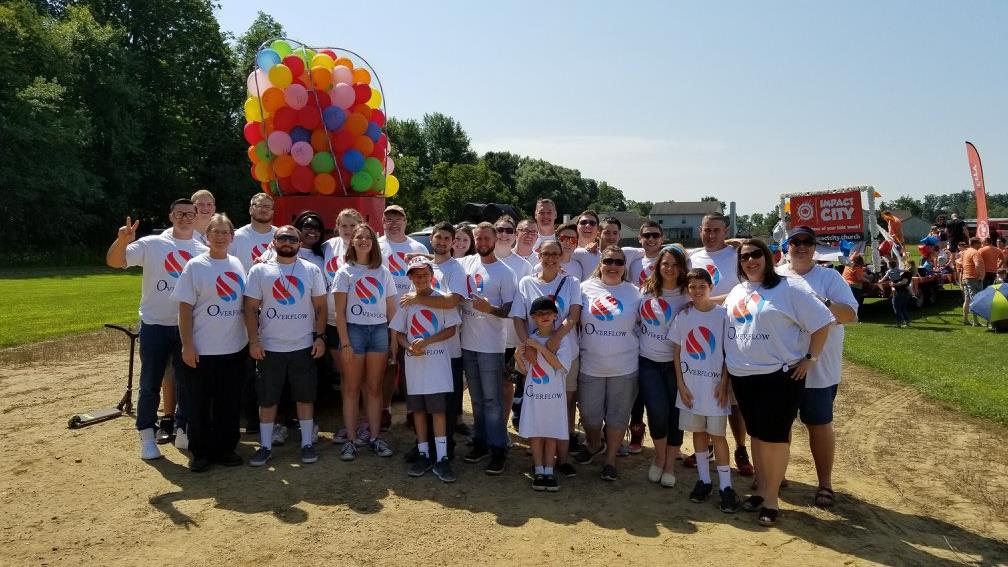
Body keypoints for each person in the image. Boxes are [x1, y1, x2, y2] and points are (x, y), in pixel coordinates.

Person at [725, 239, 833, 526]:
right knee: (757, 436)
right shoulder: (738, 290)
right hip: (743, 376)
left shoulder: (789, 287)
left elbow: (824, 321)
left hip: (779, 376)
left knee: (774, 438)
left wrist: (811, 357)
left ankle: (772, 499)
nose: (750, 260)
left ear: (767, 257)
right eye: (745, 256)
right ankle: (761, 490)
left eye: (756, 254)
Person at [106, 199, 207, 460]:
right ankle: (147, 436)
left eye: (190, 214)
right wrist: (123, 240)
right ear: (171, 216)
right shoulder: (152, 244)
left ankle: (183, 429)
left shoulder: (202, 247)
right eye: (180, 213)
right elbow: (115, 262)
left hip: (188, 328)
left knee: (187, 382)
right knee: (150, 383)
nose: (185, 217)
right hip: (155, 325)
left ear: (196, 217)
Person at [776, 226, 858, 508]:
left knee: (819, 425)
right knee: (779, 424)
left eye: (806, 242)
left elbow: (850, 314)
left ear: (814, 247)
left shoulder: (829, 277)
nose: (800, 246)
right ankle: (778, 476)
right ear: (786, 246)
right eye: (795, 242)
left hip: (818, 368)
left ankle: (825, 483)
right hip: (781, 365)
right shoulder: (776, 275)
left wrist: (818, 302)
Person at [243, 225, 328, 466]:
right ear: (274, 241)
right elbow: (249, 308)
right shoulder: (259, 270)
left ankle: (307, 443)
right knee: (267, 400)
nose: (287, 242)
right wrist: (254, 341)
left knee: (305, 397)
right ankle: (266, 445)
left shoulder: (311, 270)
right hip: (269, 347)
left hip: (303, 346)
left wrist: (320, 337)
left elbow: (320, 306)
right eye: (282, 238)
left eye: (293, 238)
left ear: (300, 244)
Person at [172, 213, 248, 471]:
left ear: (232, 237)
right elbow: (184, 309)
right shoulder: (195, 266)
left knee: (229, 403)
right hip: (202, 349)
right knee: (199, 404)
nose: (220, 237)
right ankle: (201, 452)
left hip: (234, 348)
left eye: (225, 232)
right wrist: (187, 345)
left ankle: (226, 449)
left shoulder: (237, 264)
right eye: (215, 232)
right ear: (207, 235)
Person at [510, 239, 583, 477]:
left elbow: (573, 315)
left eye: (555, 254)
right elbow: (519, 318)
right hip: (534, 354)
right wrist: (527, 344)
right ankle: (541, 461)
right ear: (538, 254)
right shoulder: (526, 282)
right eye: (546, 253)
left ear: (562, 256)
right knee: (538, 405)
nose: (550, 258)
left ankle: (560, 459)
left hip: (564, 353)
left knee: (564, 405)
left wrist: (555, 339)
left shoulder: (571, 281)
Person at [687, 213, 752, 476]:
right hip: (701, 335)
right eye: (706, 230)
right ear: (699, 230)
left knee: (733, 400)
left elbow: (746, 289)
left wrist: (710, 302)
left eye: (716, 230)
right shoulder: (692, 256)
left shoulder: (738, 256)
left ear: (726, 230)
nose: (711, 235)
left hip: (732, 332)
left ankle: (740, 447)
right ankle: (707, 448)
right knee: (704, 390)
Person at [399, 222, 470, 460]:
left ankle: (444, 449)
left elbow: (451, 302)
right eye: (437, 237)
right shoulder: (423, 267)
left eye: (446, 238)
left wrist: (418, 299)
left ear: (453, 242)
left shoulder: (456, 268)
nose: (441, 241)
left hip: (448, 350)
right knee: (421, 403)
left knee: (444, 406)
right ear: (432, 239)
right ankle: (424, 446)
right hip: (421, 351)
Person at [671, 268, 738, 512]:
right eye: (692, 287)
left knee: (718, 436)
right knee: (698, 433)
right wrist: (680, 383)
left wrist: (723, 383)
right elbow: (677, 351)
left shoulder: (723, 315)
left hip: (715, 389)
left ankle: (726, 486)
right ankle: (704, 480)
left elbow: (728, 353)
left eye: (702, 286)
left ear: (710, 287)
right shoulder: (684, 315)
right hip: (690, 388)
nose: (697, 291)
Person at [574, 246, 642, 481]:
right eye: (609, 261)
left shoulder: (635, 293)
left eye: (619, 262)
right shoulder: (584, 288)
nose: (613, 266)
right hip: (590, 364)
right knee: (590, 417)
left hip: (624, 367)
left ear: (624, 267)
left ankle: (610, 460)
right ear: (600, 264)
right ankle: (594, 444)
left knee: (617, 417)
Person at [390, 257, 460, 482]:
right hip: (415, 365)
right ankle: (424, 453)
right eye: (415, 275)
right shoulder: (406, 301)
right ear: (409, 277)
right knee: (417, 411)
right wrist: (408, 346)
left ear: (432, 276)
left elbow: (451, 330)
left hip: (437, 366)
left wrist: (427, 342)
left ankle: (442, 458)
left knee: (438, 411)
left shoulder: (441, 299)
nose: (420, 279)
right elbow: (399, 332)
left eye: (424, 275)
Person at [333, 224, 399, 460]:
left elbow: (392, 310)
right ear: (352, 242)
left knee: (374, 388)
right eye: (358, 237)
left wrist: (393, 339)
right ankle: (351, 439)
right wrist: (346, 343)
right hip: (354, 333)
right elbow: (339, 313)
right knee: (351, 389)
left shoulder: (383, 272)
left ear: (373, 242)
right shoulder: (344, 272)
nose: (363, 241)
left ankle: (374, 437)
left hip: (379, 331)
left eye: (367, 237)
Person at [460, 222, 516, 475]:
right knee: (477, 400)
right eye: (478, 239)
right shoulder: (468, 263)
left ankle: (498, 448)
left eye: (485, 238)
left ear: (495, 240)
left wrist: (489, 309)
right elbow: (442, 263)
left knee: (493, 401)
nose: (481, 243)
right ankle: (481, 442)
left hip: (492, 346)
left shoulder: (505, 272)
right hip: (468, 344)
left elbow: (509, 310)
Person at [637, 246, 690, 487]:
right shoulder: (646, 290)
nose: (670, 269)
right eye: (665, 263)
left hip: (677, 365)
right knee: (657, 412)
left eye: (675, 264)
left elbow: (712, 303)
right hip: (648, 361)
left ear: (682, 268)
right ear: (658, 266)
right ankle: (659, 457)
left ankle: (670, 464)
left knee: (676, 415)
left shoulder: (688, 294)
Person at [514, 297, 576, 492]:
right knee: (536, 433)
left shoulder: (563, 340)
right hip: (534, 397)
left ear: (556, 315)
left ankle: (549, 471)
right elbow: (525, 371)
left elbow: (560, 365)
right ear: (533, 318)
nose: (544, 317)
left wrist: (541, 348)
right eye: (539, 314)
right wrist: (518, 356)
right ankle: (539, 470)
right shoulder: (529, 340)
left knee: (551, 434)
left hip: (554, 397)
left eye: (548, 313)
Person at [379, 205, 428, 430]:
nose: (394, 223)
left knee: (410, 365)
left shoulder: (417, 247)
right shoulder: (376, 245)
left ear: (406, 221)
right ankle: (384, 409)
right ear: (383, 221)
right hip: (382, 315)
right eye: (389, 219)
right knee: (388, 365)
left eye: (398, 218)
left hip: (412, 317)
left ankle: (412, 410)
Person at [493, 215, 533, 434]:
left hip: (511, 338)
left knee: (507, 385)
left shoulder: (524, 266)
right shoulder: (481, 259)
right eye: (500, 229)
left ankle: (501, 430)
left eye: (509, 230)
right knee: (487, 387)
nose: (504, 234)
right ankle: (487, 428)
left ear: (514, 234)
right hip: (485, 336)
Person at [322, 208, 363, 417]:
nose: (348, 230)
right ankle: (348, 420)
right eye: (343, 226)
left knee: (359, 375)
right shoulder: (327, 247)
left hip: (359, 322)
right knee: (345, 374)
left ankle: (363, 421)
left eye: (352, 225)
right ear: (337, 227)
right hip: (332, 320)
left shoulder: (367, 247)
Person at [230, 193, 277, 273]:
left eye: (267, 207)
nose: (264, 210)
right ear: (250, 210)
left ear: (272, 212)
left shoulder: (281, 237)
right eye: (259, 206)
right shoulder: (236, 237)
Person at [629, 220, 665, 287]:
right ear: (640, 239)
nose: (651, 239)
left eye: (655, 235)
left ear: (662, 239)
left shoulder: (670, 263)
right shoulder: (633, 264)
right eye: (646, 235)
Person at [879, 259, 912, 328]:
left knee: (896, 308)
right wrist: (907, 269)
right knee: (903, 308)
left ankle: (899, 322)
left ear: (889, 266)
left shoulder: (889, 271)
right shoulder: (897, 270)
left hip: (897, 291)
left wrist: (880, 281)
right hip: (904, 291)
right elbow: (903, 271)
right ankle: (907, 321)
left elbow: (885, 277)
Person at [959, 237, 984, 326]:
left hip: (966, 278)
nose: (981, 245)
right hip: (973, 278)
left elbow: (961, 264)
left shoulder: (966, 251)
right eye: (979, 243)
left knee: (967, 299)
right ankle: (975, 321)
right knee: (975, 300)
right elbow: (977, 265)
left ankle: (965, 319)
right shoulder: (975, 252)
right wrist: (980, 276)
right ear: (976, 243)